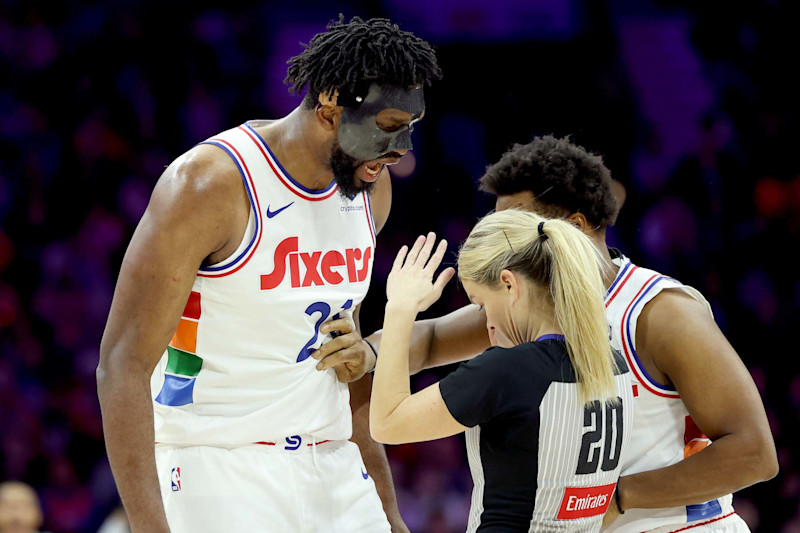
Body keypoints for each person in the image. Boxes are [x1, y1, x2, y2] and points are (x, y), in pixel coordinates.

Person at [97, 15, 441, 533]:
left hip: (333, 465)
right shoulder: (209, 184)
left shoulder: (371, 190)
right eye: (388, 128)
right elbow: (121, 366)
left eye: (409, 130)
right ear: (330, 102)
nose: (400, 151)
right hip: (218, 466)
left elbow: (345, 363)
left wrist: (388, 511)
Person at [356, 136, 778, 532]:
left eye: (517, 228)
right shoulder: (530, 310)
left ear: (574, 225)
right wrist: (363, 354)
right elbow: (426, 341)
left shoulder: (661, 313)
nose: (507, 245)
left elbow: (753, 453)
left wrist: (618, 498)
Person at [369, 221, 635, 532]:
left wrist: (400, 309)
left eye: (481, 305)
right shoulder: (616, 365)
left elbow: (386, 423)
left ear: (509, 284)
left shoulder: (509, 371)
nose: (488, 326)